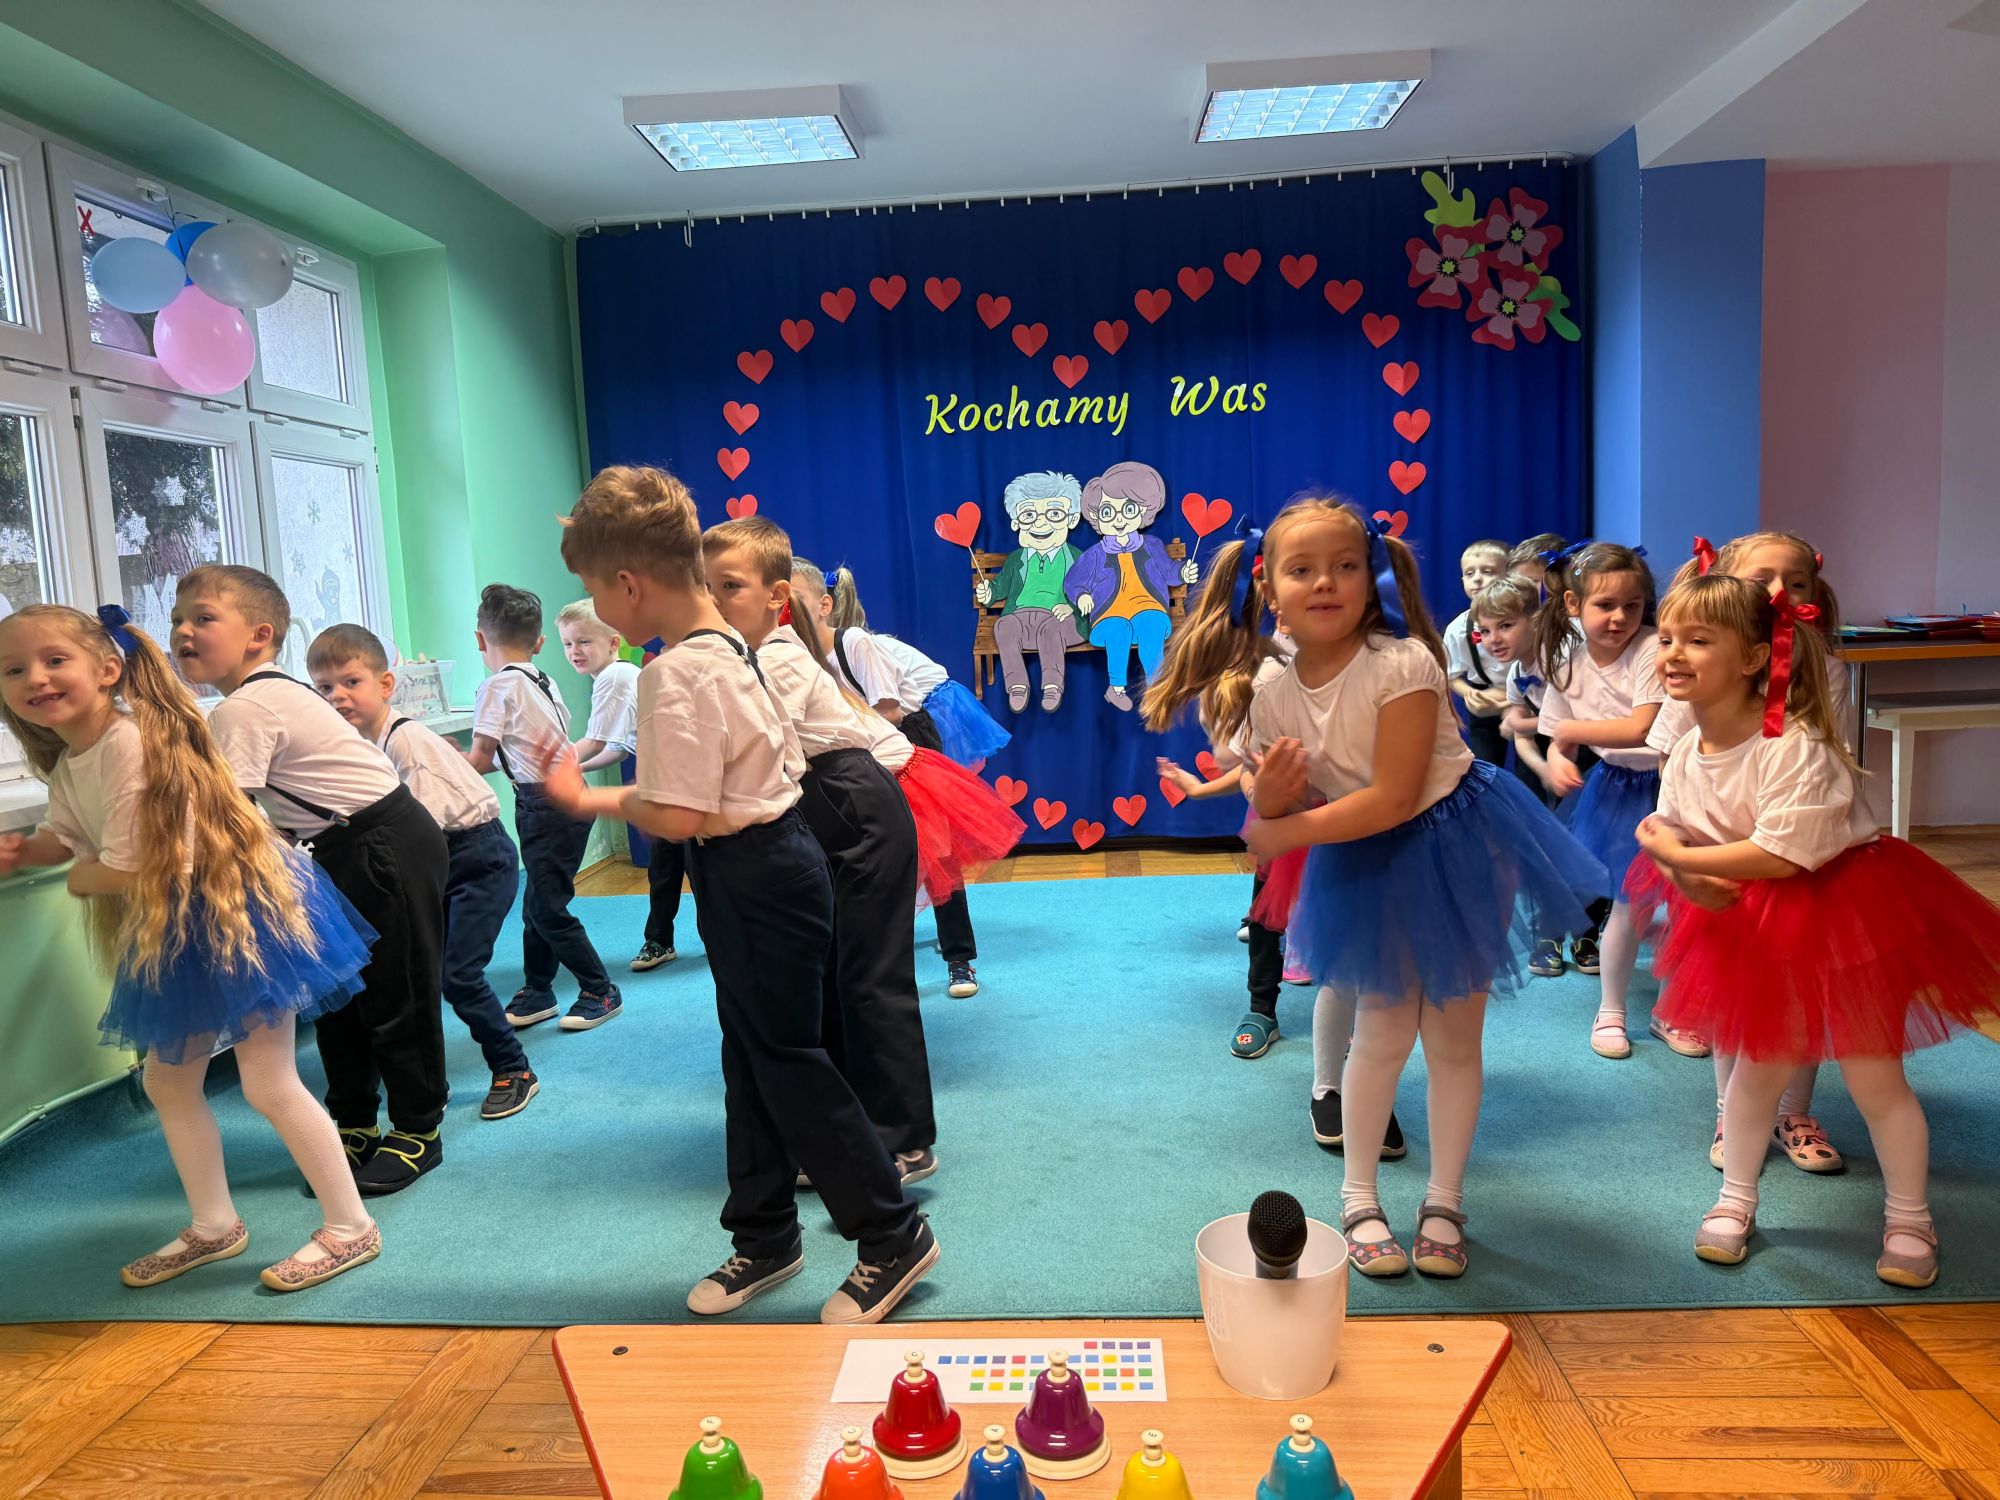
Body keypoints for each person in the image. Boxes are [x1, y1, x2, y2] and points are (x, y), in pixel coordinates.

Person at [540, 464, 938, 1325]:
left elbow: (678, 813)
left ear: (629, 584)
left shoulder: (674, 672)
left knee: (787, 1059)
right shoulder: (731, 644)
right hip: (773, 862)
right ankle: (764, 1235)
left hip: (755, 871)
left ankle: (891, 1233)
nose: (599, 611)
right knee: (752, 1055)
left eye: (595, 593)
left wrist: (590, 799)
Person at [1164, 500, 1601, 1276]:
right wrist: (1272, 804)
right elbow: (1276, 790)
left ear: (1372, 579)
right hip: (1365, 860)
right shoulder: (1271, 692)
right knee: (1380, 1034)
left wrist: (1281, 832)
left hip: (1457, 845)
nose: (1325, 582)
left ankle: (1445, 1200)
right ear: (1268, 589)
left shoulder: (1402, 664)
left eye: (1345, 566)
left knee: (1453, 1040)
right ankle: (1359, 1197)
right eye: (1302, 570)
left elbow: (1396, 796)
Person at [1628, 572, 2000, 1288]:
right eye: (1667, 638)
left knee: (1873, 1076)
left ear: (1751, 659)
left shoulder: (1791, 743)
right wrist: (1673, 857)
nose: (1671, 653)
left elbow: (1780, 853)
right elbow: (1675, 825)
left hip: (1842, 915)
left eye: (1697, 640)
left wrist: (1678, 856)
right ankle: (1736, 1200)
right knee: (1755, 1070)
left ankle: (1910, 1218)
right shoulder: (1687, 750)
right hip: (1756, 921)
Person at [0, 603, 381, 1291]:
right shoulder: (72, 764)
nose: (36, 678)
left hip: (240, 916)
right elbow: (67, 835)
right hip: (178, 927)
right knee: (167, 1082)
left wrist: (80, 878)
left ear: (107, 669)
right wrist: (28, 852)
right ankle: (214, 1225)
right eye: (14, 669)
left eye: (55, 661)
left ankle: (352, 1226)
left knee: (267, 1082)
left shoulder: (128, 744)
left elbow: (131, 868)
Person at [173, 564, 451, 1196]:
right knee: (338, 1001)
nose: (184, 631)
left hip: (381, 844)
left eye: (204, 618)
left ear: (259, 635)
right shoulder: (259, 698)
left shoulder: (247, 707)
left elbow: (228, 817)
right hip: (329, 848)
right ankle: (353, 1124)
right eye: (177, 620)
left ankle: (419, 1128)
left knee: (396, 994)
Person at [702, 515, 939, 1183]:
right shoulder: (746, 656)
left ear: (777, 597)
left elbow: (762, 754)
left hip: (854, 809)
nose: (715, 601)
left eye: (731, 587)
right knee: (832, 974)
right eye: (705, 588)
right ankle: (848, 1126)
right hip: (823, 812)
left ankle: (904, 1139)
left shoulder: (776, 659)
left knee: (869, 976)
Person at [1649, 533, 1849, 1174]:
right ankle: (1731, 1113)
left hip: (1793, 865)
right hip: (1722, 858)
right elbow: (1676, 759)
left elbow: (1825, 768)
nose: (1780, 593)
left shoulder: (1821, 675)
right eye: (1764, 579)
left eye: (1797, 581)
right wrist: (1682, 848)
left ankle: (1792, 1111)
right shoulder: (1694, 670)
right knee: (1730, 998)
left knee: (1798, 1002)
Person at [308, 624, 539, 1122]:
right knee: (419, 975)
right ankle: (426, 1080)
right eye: (324, 687)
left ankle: (514, 1067)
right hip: (435, 860)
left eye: (351, 682)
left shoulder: (406, 740)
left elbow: (420, 831)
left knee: (458, 974)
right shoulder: (358, 745)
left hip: (477, 859)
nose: (337, 696)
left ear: (385, 685)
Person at [801, 562, 995, 998]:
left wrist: (851, 739)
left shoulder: (853, 643)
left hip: (901, 743)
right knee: (870, 857)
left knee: (937, 850)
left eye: (796, 599)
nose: (786, 609)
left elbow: (889, 711)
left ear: (824, 605)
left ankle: (959, 957)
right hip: (853, 757)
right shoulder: (795, 658)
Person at [1534, 542, 1693, 1060]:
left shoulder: (1650, 648)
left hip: (1670, 786)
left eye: (1633, 605)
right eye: (1606, 605)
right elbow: (1558, 735)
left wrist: (1567, 733)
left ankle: (1675, 1009)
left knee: (1684, 904)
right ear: (1574, 604)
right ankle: (1611, 1010)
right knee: (1628, 904)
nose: (1621, 617)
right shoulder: (1567, 658)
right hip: (1615, 789)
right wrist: (1557, 756)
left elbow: (1640, 727)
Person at [466, 585, 622, 1032]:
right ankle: (538, 988)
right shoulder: (540, 680)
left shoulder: (496, 686)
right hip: (567, 796)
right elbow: (527, 748)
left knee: (547, 908)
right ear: (539, 643)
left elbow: (480, 758)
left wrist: (432, 765)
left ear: (480, 639)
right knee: (538, 899)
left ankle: (600, 989)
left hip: (546, 806)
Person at [557, 600, 683, 973]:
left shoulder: (615, 676)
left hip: (676, 777)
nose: (575, 651)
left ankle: (698, 939)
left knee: (685, 864)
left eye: (584, 642)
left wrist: (551, 767)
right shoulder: (616, 676)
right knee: (665, 864)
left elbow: (595, 742)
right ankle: (661, 940)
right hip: (660, 778)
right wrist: (574, 767)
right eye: (567, 644)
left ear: (613, 642)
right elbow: (618, 747)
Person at [1063, 461, 1199, 711]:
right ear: (1096, 516)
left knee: (1152, 623)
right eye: (1108, 512)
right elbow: (1073, 581)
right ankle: (1115, 688)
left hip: (1148, 610)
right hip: (1109, 618)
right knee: (1119, 628)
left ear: (1144, 510)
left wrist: (1183, 572)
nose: (1118, 519)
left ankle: (1156, 687)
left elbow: (1169, 571)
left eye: (1128, 509)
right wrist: (1082, 595)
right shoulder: (1094, 554)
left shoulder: (1152, 546)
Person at [978, 471, 1086, 713]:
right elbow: (1000, 587)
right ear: (1016, 522)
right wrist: (988, 593)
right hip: (1023, 621)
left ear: (1071, 519)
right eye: (1029, 515)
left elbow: (1090, 591)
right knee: (1003, 626)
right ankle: (1017, 685)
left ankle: (1052, 686)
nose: (1040, 523)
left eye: (1054, 514)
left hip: (1063, 622)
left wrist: (1071, 606)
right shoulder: (1017, 559)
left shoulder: (1076, 557)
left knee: (1051, 630)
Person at [1442, 540, 1512, 766]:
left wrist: (1508, 697)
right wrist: (1471, 694)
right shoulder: (1458, 629)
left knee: (1532, 768)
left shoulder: (1527, 622)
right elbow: (1450, 674)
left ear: (1509, 575)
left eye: (1488, 571)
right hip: (1482, 699)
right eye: (1470, 573)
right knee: (1486, 763)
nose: (1478, 579)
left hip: (1528, 694)